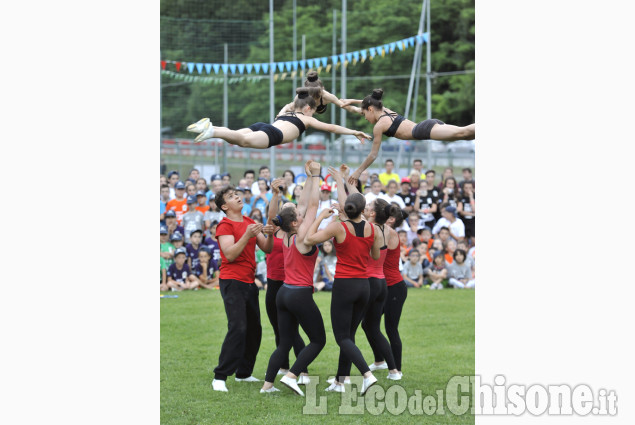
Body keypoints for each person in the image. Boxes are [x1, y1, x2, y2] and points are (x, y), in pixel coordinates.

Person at [305, 187, 382, 395]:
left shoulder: (338, 227)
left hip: (345, 285)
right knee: (349, 335)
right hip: (363, 286)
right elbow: (375, 256)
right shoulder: (372, 228)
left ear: (347, 209)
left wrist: (322, 216)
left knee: (342, 337)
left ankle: (367, 375)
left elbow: (309, 239)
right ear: (362, 210)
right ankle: (340, 381)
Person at [260, 161, 327, 396]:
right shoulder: (301, 237)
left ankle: (267, 385)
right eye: (299, 216)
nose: (301, 213)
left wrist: (309, 179)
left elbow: (303, 205)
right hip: (299, 294)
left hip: (283, 293)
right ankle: (292, 375)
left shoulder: (286, 234)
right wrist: (317, 175)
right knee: (318, 340)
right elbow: (312, 205)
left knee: (284, 342)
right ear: (295, 222)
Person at [330, 165, 402, 383]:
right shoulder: (385, 230)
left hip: (366, 281)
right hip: (381, 282)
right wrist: (348, 181)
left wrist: (341, 182)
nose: (366, 205)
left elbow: (349, 205)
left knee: (347, 334)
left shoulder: (367, 228)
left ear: (371, 213)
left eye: (369, 205)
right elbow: (355, 203)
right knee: (371, 328)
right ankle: (392, 370)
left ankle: (345, 378)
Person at [211, 185, 275, 392]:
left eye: (236, 194)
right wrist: (247, 236)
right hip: (232, 281)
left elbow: (267, 248)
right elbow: (229, 254)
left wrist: (271, 234)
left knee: (254, 330)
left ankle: (244, 373)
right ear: (224, 206)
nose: (237, 197)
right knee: (238, 327)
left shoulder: (249, 223)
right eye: (231, 196)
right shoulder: (225, 225)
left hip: (249, 281)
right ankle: (220, 376)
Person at [340, 89, 475, 185]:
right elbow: (362, 106)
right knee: (467, 136)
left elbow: (373, 155)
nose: (364, 118)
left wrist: (358, 171)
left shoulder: (379, 126)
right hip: (427, 127)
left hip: (423, 130)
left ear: (370, 109)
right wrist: (348, 101)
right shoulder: (384, 109)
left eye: (364, 114)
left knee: (463, 132)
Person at [187, 87, 371, 148]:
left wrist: (304, 94)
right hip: (273, 134)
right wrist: (354, 131)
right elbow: (332, 128)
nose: (313, 114)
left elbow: (295, 101)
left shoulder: (287, 110)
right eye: (313, 110)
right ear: (308, 108)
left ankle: (211, 127)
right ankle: (211, 131)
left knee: (236, 136)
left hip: (265, 126)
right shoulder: (306, 119)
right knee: (242, 141)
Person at [264, 177, 307, 380]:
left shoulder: (298, 234)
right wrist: (275, 195)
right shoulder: (274, 230)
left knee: (293, 330)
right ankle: (283, 366)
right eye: (286, 208)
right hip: (273, 284)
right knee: (277, 328)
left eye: (292, 209)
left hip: (291, 286)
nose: (289, 211)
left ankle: (302, 370)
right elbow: (271, 215)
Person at [369, 205, 409, 376]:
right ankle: (379, 361)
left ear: (391, 219)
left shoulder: (390, 232)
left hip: (394, 288)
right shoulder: (381, 230)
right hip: (383, 287)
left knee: (390, 328)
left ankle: (397, 370)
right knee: (369, 325)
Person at [457, 180, 475, 246]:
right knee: (464, 241)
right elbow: (461, 212)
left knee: (474, 241)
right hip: (463, 221)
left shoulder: (474, 196)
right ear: (463, 189)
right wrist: (472, 214)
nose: (468, 190)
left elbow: (474, 209)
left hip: (473, 222)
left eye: (470, 188)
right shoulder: (460, 197)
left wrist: (471, 197)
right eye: (466, 188)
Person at [160, 224, 175, 291]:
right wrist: (167, 254)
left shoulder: (171, 245)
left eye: (165, 234)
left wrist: (164, 254)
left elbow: (173, 254)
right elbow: (161, 255)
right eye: (161, 234)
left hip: (170, 268)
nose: (163, 236)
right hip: (161, 270)